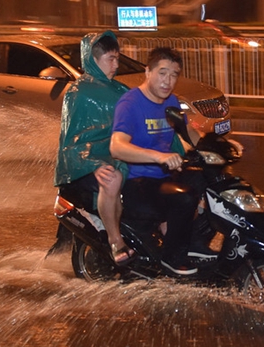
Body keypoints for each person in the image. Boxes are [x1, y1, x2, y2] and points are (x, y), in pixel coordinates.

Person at [110, 47, 203, 276]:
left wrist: (219, 148)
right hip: (138, 182)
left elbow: (189, 132)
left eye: (173, 75)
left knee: (210, 182)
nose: (168, 81)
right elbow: (117, 146)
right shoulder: (130, 103)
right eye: (162, 73)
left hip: (165, 175)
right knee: (185, 196)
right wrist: (158, 156)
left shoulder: (171, 101)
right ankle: (172, 258)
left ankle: (193, 244)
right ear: (148, 71)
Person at [53, 30, 134, 265]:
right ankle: (115, 240)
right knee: (112, 179)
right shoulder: (78, 94)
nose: (116, 64)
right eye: (111, 59)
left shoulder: (120, 90)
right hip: (83, 167)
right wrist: (93, 164)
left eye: (118, 58)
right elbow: (71, 141)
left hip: (118, 157)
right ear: (93, 59)